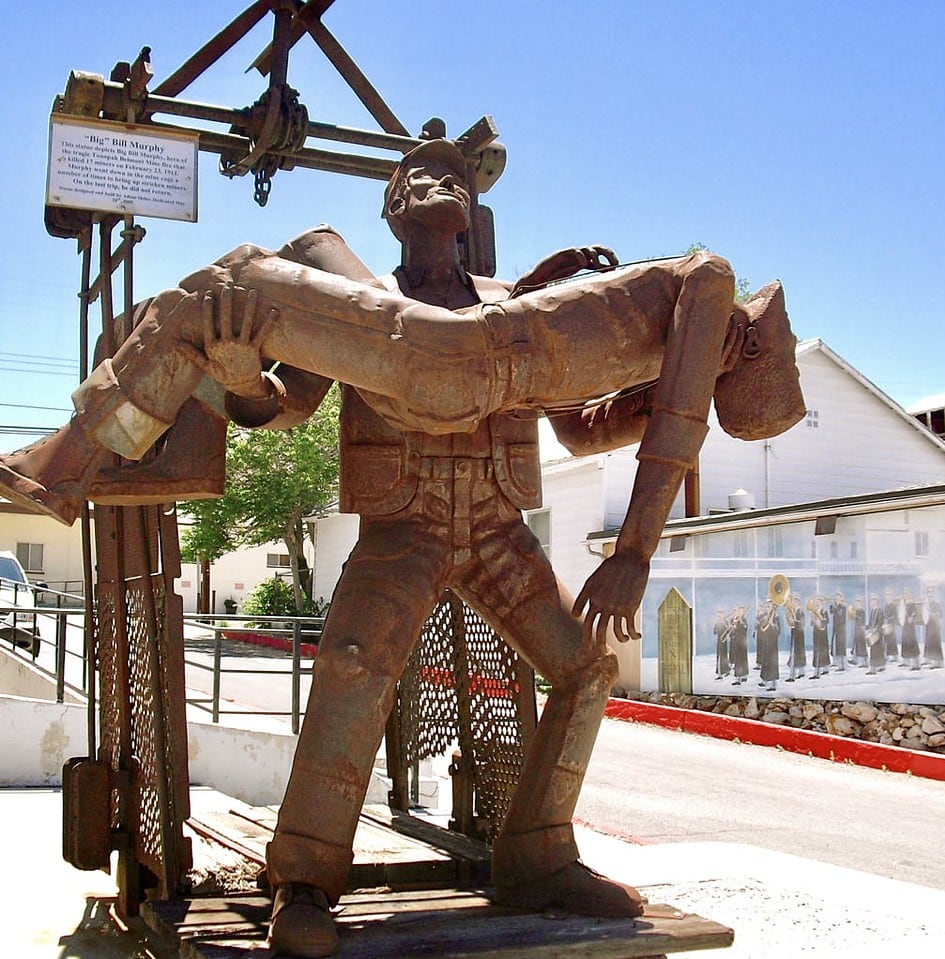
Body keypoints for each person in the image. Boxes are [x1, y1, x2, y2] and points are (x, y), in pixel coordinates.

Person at [0, 139, 803, 956]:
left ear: (471, 211)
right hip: (404, 522)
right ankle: (305, 879)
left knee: (586, 667)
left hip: (494, 522)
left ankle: (540, 852)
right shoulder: (359, 304)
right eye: (414, 173)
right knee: (353, 660)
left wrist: (668, 387)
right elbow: (284, 407)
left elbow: (578, 426)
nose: (435, 178)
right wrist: (243, 379)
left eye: (452, 172)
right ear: (392, 213)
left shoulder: (509, 302)